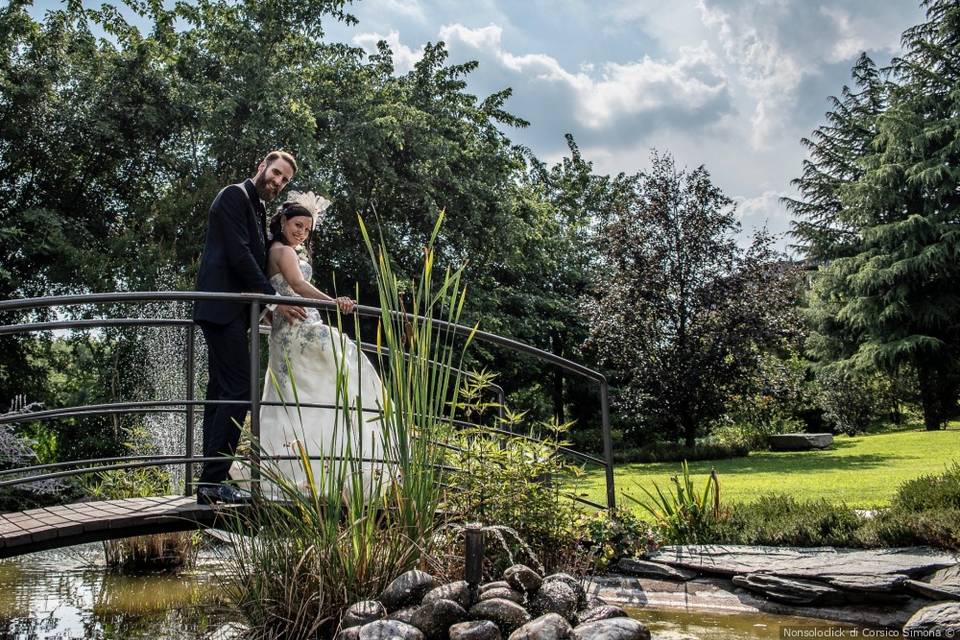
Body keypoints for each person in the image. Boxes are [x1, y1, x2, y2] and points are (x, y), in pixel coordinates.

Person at [256, 191, 388, 501]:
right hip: (298, 327)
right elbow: (298, 286)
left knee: (298, 394)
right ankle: (334, 462)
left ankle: (294, 473)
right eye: (297, 225)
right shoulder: (284, 251)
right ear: (283, 222)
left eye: (306, 229)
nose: (301, 233)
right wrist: (334, 302)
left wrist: (268, 312)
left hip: (287, 330)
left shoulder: (275, 251)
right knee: (343, 356)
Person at [193, 151, 306, 505]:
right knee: (239, 390)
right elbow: (240, 255)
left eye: (284, 180)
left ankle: (211, 477)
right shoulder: (233, 196)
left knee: (220, 391)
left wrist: (264, 310)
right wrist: (273, 300)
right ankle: (212, 481)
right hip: (221, 308)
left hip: (234, 313)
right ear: (261, 166)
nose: (277, 181)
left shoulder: (256, 209)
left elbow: (254, 259)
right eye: (275, 173)